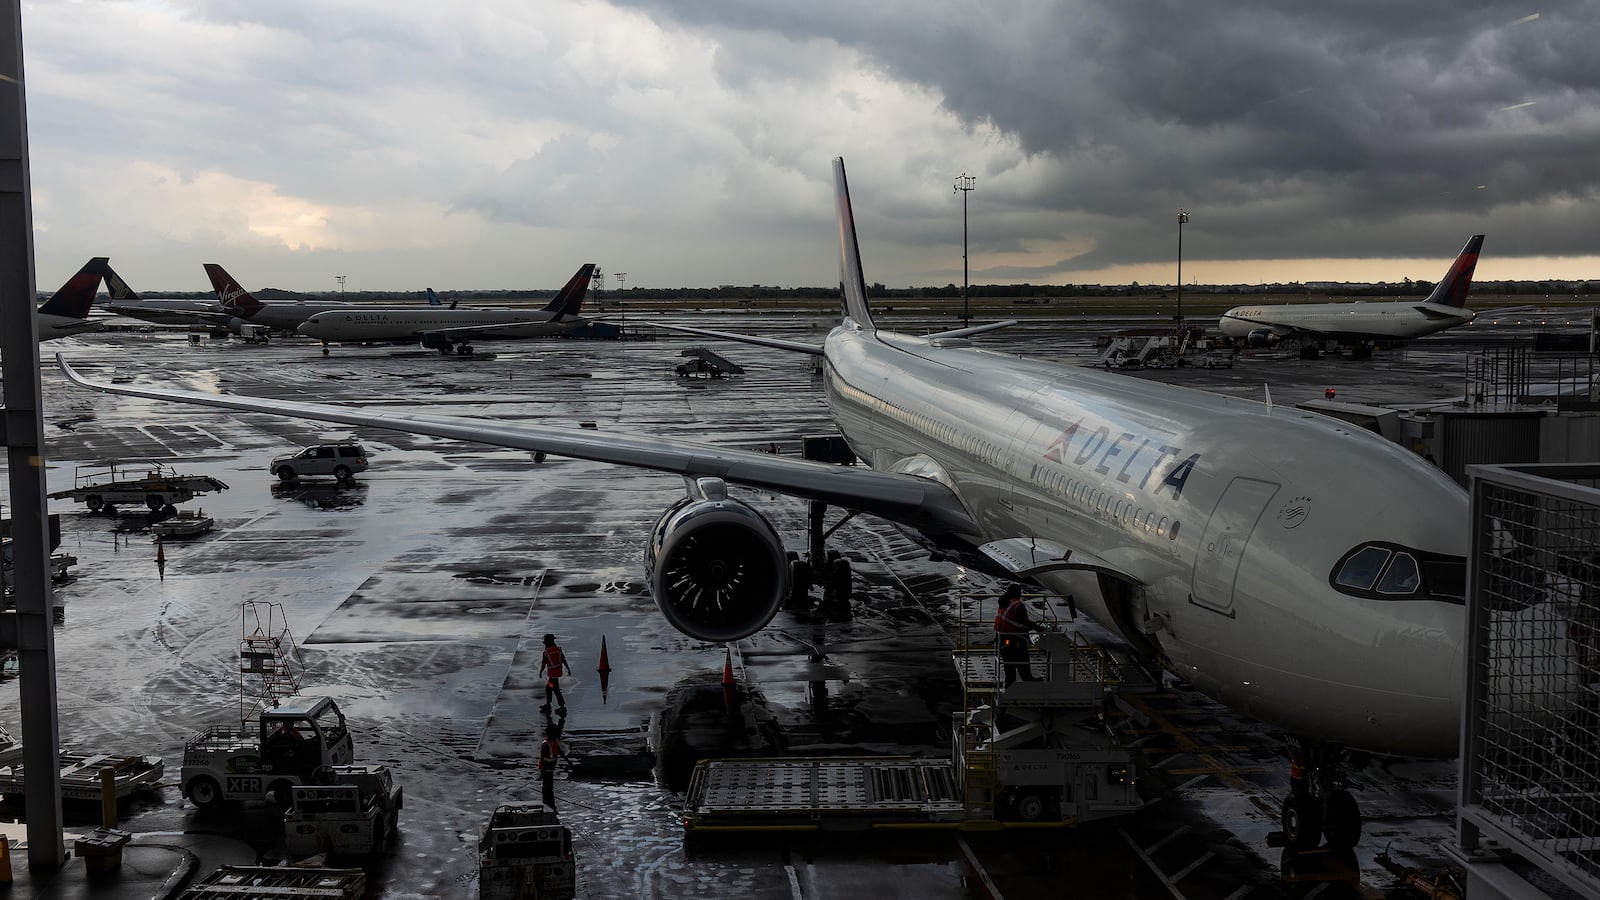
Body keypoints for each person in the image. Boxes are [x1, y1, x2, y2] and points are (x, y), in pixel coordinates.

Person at [998, 584, 1038, 686]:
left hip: (1003, 638)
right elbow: (1024, 622)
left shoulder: (1005, 603)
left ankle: (1010, 686)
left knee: (1009, 665)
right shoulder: (1018, 606)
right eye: (1019, 592)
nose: (1021, 594)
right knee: (1023, 660)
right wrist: (1038, 628)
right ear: (1016, 593)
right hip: (1015, 639)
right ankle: (1028, 681)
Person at [539, 633, 569, 715]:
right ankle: (548, 704)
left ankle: (562, 707)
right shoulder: (558, 650)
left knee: (555, 690)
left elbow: (543, 664)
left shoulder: (546, 652)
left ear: (546, 642)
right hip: (557, 673)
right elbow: (563, 660)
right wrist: (568, 669)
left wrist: (541, 672)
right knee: (549, 688)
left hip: (552, 675)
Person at [538, 723, 563, 811]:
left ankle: (551, 804)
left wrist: (568, 761)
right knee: (546, 787)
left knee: (550, 787)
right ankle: (546, 803)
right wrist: (543, 770)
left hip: (551, 767)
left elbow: (559, 751)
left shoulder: (555, 740)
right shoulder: (545, 743)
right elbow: (542, 758)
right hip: (545, 768)